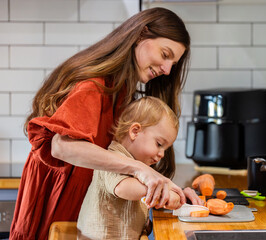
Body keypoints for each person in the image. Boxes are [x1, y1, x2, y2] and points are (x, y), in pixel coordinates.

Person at [10, 7, 202, 240]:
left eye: (173, 62)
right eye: (165, 54)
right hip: (56, 201)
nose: (167, 70)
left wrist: (171, 192)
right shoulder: (96, 85)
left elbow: (120, 162)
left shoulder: (121, 90)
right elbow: (62, 146)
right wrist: (140, 169)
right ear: (141, 34)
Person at [77, 96, 182, 239]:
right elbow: (123, 188)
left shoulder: (140, 165)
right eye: (159, 144)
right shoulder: (112, 158)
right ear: (135, 131)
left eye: (166, 149)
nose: (162, 154)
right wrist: (161, 193)